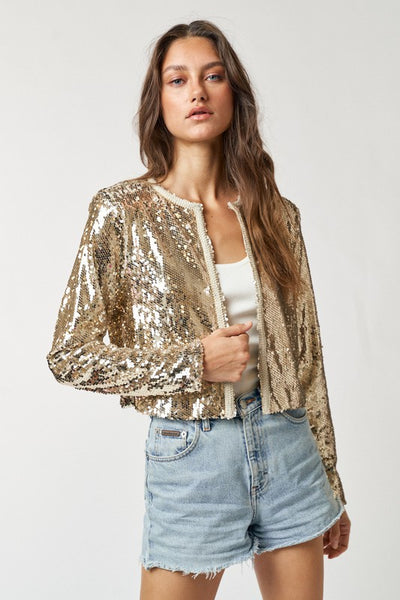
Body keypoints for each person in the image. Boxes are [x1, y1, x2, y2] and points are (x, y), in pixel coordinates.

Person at [46, 19, 351, 600]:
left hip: (291, 452)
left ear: (233, 93)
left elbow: (308, 361)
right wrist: (193, 363)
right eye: (177, 79)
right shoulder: (123, 212)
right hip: (192, 456)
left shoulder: (276, 215)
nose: (197, 92)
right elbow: (69, 356)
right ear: (158, 100)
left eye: (213, 76)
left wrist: (330, 481)